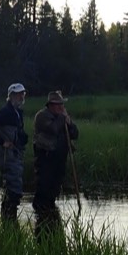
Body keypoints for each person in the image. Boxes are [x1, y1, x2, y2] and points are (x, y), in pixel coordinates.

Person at [32, 90, 79, 230]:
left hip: (59, 160)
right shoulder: (42, 116)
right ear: (51, 105)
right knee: (44, 189)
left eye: (62, 104)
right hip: (46, 159)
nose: (61, 107)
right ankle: (41, 219)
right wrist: (62, 118)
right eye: (59, 104)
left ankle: (52, 218)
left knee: (54, 189)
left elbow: (75, 134)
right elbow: (53, 129)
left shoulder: (62, 118)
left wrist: (69, 123)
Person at [0, 83, 28, 222]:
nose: (21, 96)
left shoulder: (17, 112)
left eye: (22, 94)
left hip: (16, 154)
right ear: (11, 96)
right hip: (6, 154)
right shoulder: (6, 111)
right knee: (12, 187)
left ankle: (9, 219)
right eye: (18, 94)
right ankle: (8, 221)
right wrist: (2, 142)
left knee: (12, 186)